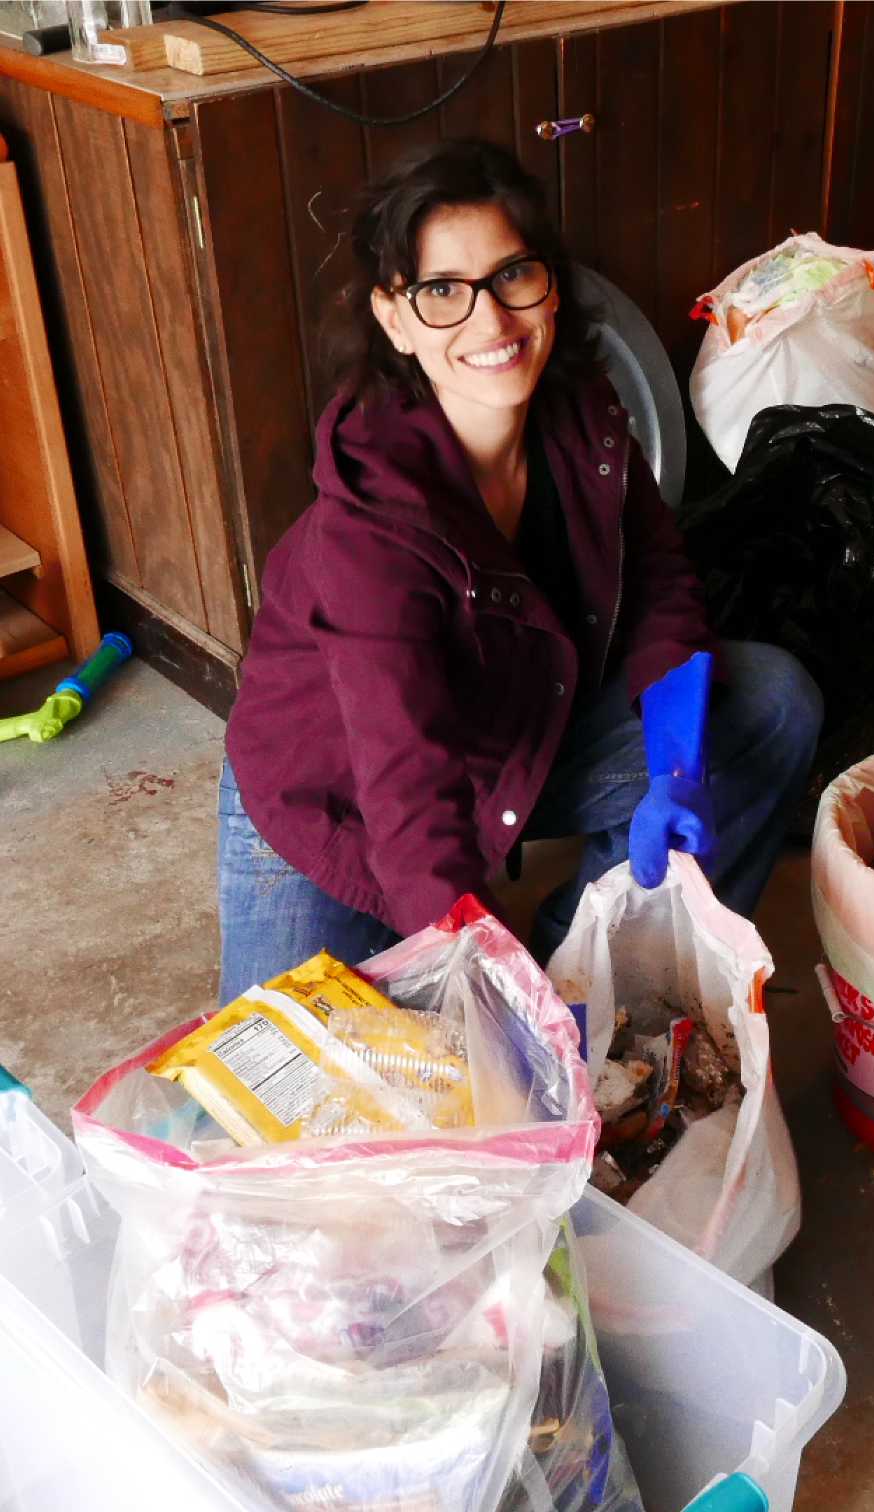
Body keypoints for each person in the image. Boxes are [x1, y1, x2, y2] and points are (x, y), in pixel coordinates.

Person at [217, 138, 821, 1004]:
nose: (491, 322)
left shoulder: (584, 415)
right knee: (307, 1102)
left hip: (518, 739)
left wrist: (677, 771)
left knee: (769, 702)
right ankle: (537, 981)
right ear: (394, 318)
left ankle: (597, 969)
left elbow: (660, 587)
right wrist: (498, 985)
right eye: (442, 292)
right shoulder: (370, 519)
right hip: (342, 796)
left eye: (512, 276)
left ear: (552, 284)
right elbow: (406, 786)